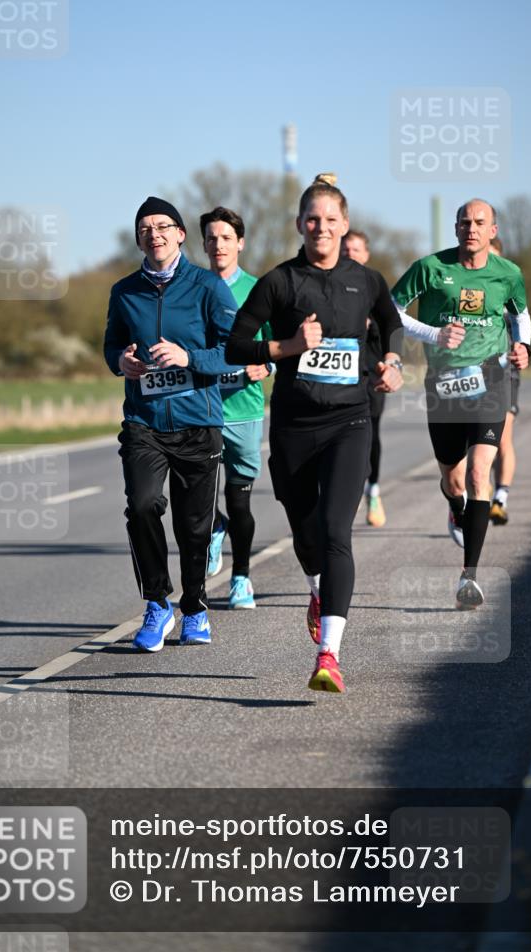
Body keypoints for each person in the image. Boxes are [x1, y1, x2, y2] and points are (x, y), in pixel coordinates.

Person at [227, 174, 403, 693]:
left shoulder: (366, 279)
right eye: (312, 220)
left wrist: (391, 361)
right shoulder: (280, 282)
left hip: (350, 420)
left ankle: (330, 653)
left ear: (345, 225)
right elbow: (238, 344)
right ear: (299, 225)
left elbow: (390, 323)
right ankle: (316, 589)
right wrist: (286, 346)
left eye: (331, 220)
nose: (321, 228)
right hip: (293, 428)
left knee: (334, 530)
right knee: (306, 536)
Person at [103, 196, 237, 652]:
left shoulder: (207, 287)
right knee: (142, 505)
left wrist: (189, 357)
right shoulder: (124, 292)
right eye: (145, 227)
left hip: (198, 422)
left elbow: (232, 351)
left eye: (163, 226)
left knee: (194, 527)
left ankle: (195, 607)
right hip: (143, 421)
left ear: (180, 234)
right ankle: (158, 604)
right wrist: (121, 360)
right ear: (138, 237)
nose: (153, 233)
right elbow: (110, 347)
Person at [392, 199, 531, 608]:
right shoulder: (430, 268)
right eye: (464, 222)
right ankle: (456, 508)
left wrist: (521, 345)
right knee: (454, 482)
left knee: (477, 474)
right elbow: (391, 311)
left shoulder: (509, 274)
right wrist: (433, 334)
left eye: (479, 222)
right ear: (456, 229)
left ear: (492, 230)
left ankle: (468, 577)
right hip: (444, 385)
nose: (471, 228)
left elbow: (520, 315)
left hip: (491, 379)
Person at [200, 206, 271, 609]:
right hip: (201, 409)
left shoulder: (259, 290)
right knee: (199, 498)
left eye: (226, 237)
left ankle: (241, 577)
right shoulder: (191, 287)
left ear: (240, 243)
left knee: (240, 499)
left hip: (243, 409)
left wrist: (269, 363)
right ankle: (214, 526)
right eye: (211, 238)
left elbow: (281, 340)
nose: (218, 245)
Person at [342, 229, 387, 527]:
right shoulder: (329, 281)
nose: (350, 254)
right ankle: (348, 491)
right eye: (346, 250)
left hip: (372, 373)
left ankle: (373, 490)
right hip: (341, 375)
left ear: (366, 254)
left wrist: (370, 325)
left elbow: (393, 327)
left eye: (356, 250)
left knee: (369, 433)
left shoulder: (374, 285)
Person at [487, 237, 519, 525]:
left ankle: (500, 499)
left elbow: (525, 324)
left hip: (505, 371)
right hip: (469, 372)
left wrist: (523, 347)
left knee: (502, 439)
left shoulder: (510, 284)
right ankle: (475, 492)